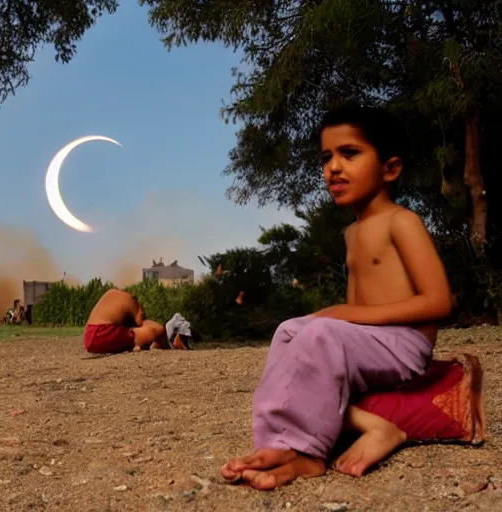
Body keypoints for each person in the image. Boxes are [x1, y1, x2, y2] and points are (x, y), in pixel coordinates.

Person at [221, 105, 453, 490]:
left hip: (406, 344)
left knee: (319, 334)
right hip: (371, 342)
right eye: (326, 157)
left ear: (390, 169)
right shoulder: (352, 233)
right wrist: (343, 317)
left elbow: (439, 302)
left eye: (350, 153)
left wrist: (345, 316)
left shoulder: (401, 222)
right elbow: (349, 319)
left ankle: (310, 455)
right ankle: (280, 444)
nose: (333, 167)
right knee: (287, 332)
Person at [83, 288, 168, 353]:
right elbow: (140, 322)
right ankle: (139, 343)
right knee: (157, 329)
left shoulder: (112, 293)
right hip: (103, 333)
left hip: (88, 334)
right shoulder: (132, 299)